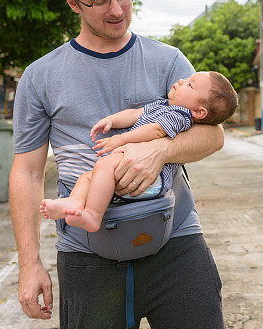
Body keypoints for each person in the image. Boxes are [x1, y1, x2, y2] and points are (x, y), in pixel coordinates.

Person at [10, 0, 230, 329]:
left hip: (174, 244)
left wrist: (160, 149)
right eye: (99, 1)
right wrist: (29, 263)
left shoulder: (168, 61)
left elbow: (212, 136)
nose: (116, 9)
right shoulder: (41, 76)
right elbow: (26, 171)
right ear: (72, 2)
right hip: (88, 257)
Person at [39, 71, 237, 233]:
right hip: (135, 170)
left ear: (199, 112)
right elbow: (135, 114)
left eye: (190, 85)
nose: (181, 80)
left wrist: (120, 139)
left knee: (104, 165)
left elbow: (157, 130)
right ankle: (73, 202)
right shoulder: (162, 105)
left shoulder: (180, 115)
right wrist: (112, 121)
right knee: (86, 177)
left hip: (149, 178)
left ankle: (92, 215)